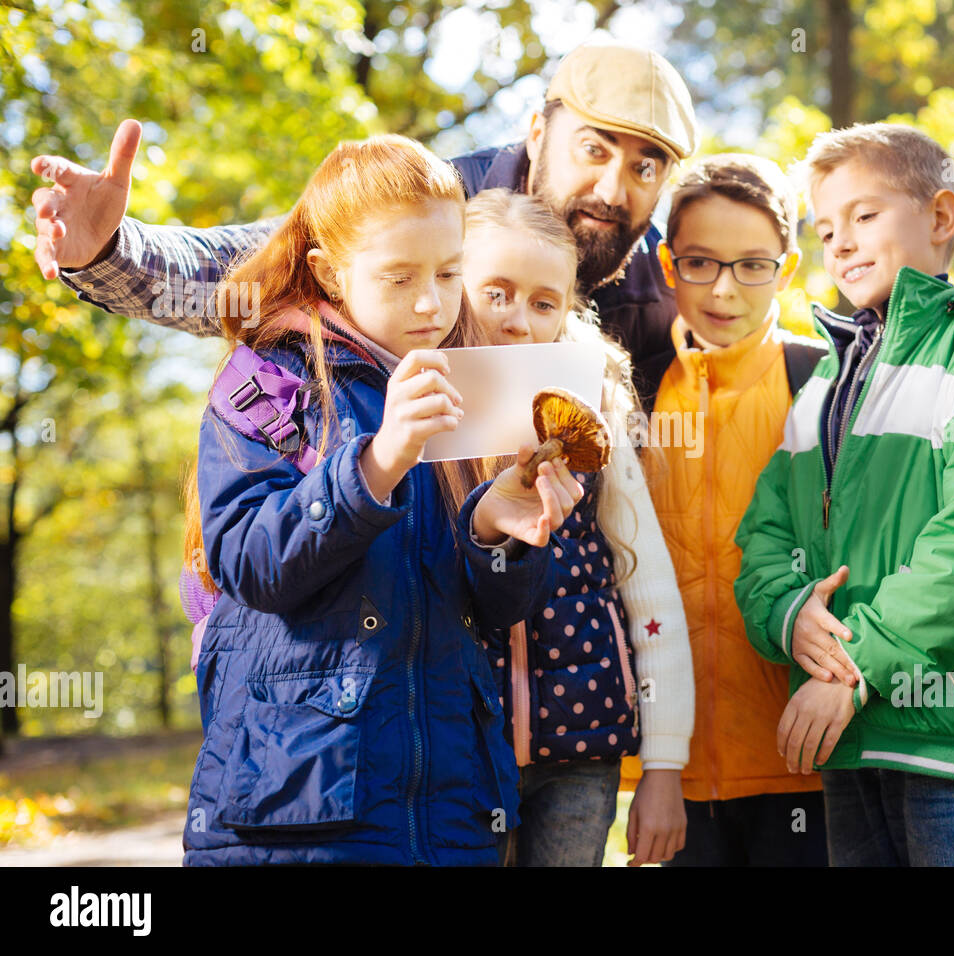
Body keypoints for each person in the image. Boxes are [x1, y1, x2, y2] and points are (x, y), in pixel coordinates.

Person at [184, 134, 584, 865]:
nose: (431, 302)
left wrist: (496, 532)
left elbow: (494, 614)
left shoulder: (475, 383)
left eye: (449, 271)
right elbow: (247, 562)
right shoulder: (268, 380)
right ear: (330, 272)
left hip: (451, 810)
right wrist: (375, 463)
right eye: (399, 278)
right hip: (297, 808)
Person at [29, 42, 699, 409]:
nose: (614, 188)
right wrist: (112, 251)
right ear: (537, 130)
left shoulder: (658, 290)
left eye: (647, 166)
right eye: (594, 149)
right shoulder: (436, 205)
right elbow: (250, 268)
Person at [734, 123, 954, 867]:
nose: (841, 242)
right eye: (825, 229)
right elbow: (765, 532)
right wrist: (790, 618)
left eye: (864, 215)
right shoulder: (824, 382)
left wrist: (853, 670)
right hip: (850, 738)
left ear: (940, 217)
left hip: (951, 731)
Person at [461, 188, 692, 866]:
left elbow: (648, 591)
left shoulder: (597, 411)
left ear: (567, 308)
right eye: (494, 293)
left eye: (542, 302)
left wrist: (665, 766)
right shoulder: (424, 417)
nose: (517, 321)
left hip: (581, 748)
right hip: (464, 749)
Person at [617, 154, 832, 865]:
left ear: (788, 268)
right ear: (668, 265)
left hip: (805, 756)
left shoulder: (823, 382)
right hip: (668, 769)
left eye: (752, 266)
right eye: (701, 263)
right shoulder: (633, 392)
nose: (725, 290)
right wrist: (657, 764)